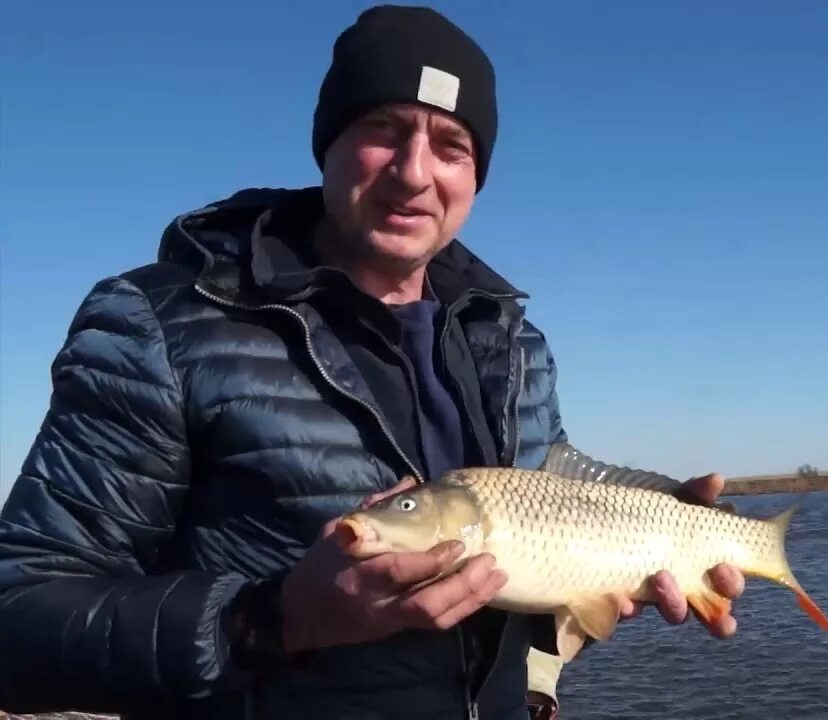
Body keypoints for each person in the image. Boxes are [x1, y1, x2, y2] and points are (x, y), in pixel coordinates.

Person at [0, 5, 745, 720]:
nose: (414, 172)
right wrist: (273, 618)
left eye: (452, 146)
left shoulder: (514, 343)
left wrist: (631, 550)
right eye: (384, 130)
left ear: (476, 177)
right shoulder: (161, 324)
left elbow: (533, 550)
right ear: (327, 142)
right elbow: (19, 617)